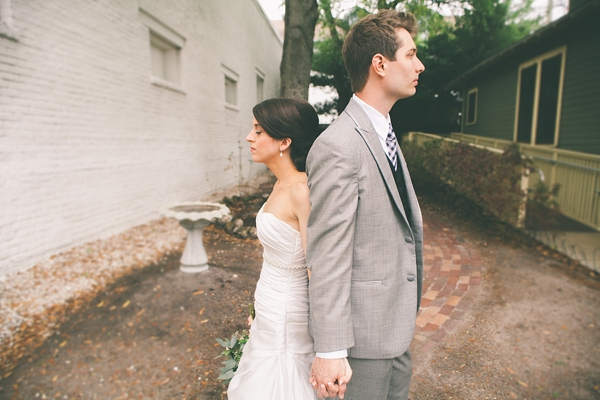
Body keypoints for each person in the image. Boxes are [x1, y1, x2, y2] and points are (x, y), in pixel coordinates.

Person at [306, 9, 425, 400]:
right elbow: (327, 254)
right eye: (410, 55)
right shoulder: (338, 145)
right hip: (362, 345)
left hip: (395, 329)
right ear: (379, 64)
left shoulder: (384, 130)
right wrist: (330, 350)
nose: (419, 65)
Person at [227, 98, 321, 399]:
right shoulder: (280, 183)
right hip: (268, 306)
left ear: (284, 141)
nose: (249, 138)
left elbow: (317, 269)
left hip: (288, 316)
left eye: (258, 131)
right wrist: (259, 309)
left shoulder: (300, 191)